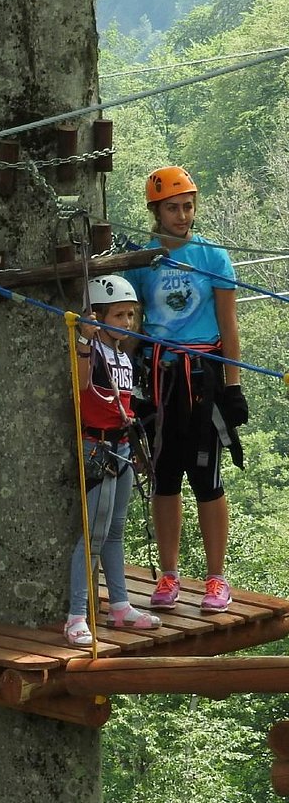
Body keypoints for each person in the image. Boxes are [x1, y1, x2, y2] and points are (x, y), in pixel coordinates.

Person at [125, 166, 248, 613]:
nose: (183, 215)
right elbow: (132, 327)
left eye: (188, 206)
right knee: (165, 476)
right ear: (155, 211)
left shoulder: (213, 257)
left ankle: (216, 578)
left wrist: (233, 386)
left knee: (207, 477)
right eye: (173, 208)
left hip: (203, 377)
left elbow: (229, 327)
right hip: (158, 374)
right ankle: (169, 574)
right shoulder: (140, 262)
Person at [64, 276, 161, 647]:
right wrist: (86, 338)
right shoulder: (92, 351)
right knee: (93, 536)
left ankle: (119, 605)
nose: (127, 322)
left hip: (120, 447)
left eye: (130, 315)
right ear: (98, 315)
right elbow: (82, 385)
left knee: (114, 533)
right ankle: (76, 614)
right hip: (97, 447)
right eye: (119, 315)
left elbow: (125, 403)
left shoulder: (122, 356)